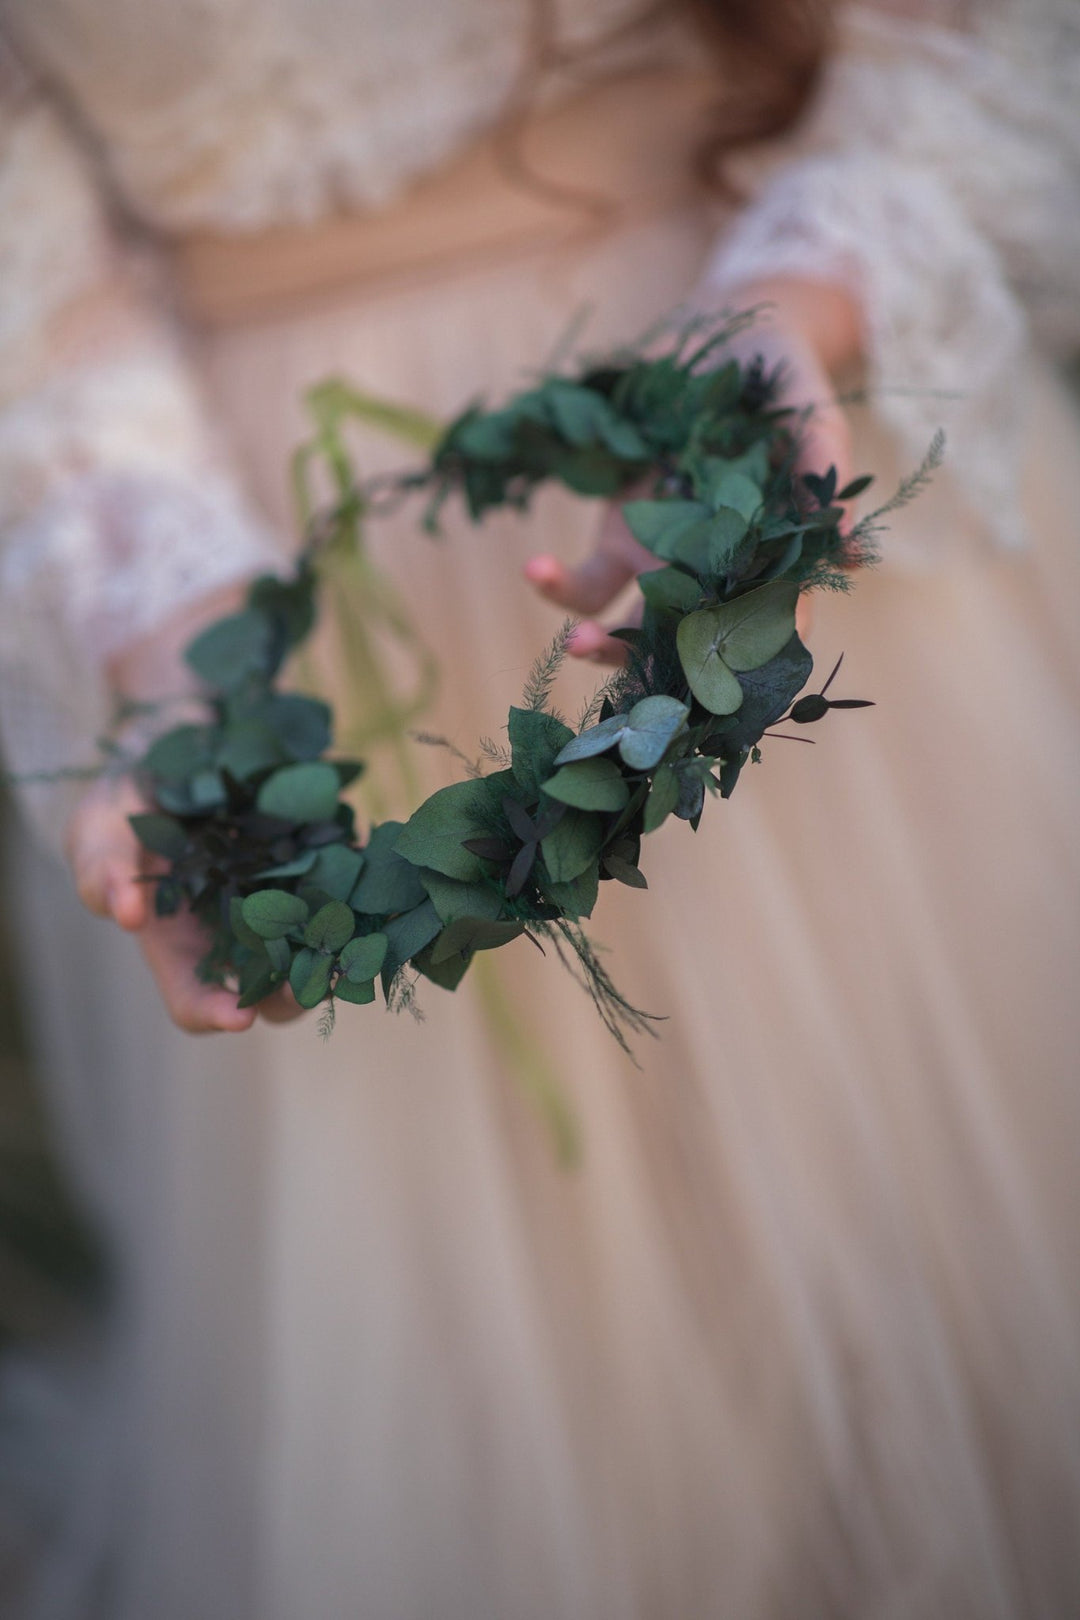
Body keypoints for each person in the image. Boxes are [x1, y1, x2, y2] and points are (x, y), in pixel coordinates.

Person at [2, 2, 1079, 1616]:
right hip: (239, 514)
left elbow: (979, 38)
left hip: (759, 444)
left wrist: (784, 310)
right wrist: (182, 670)